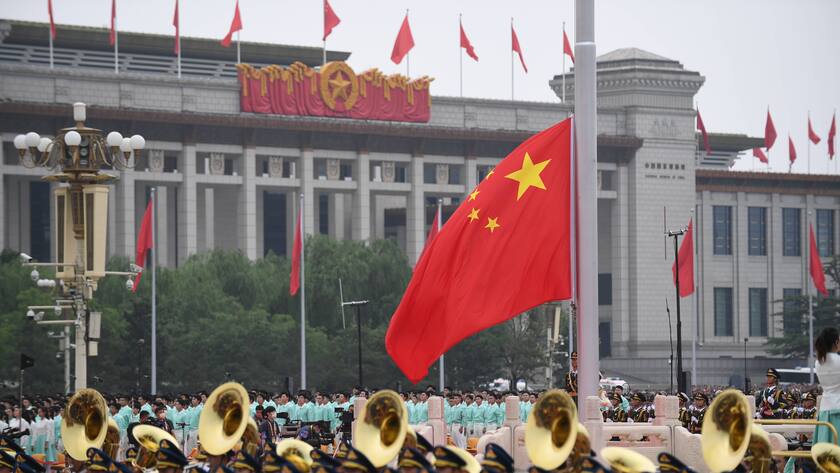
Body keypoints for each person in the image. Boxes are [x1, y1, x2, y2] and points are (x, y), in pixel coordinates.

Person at [814, 327, 840, 444]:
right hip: (838, 409)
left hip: (825, 410)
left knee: (826, 451)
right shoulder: (838, 360)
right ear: (836, 342)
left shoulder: (818, 362)